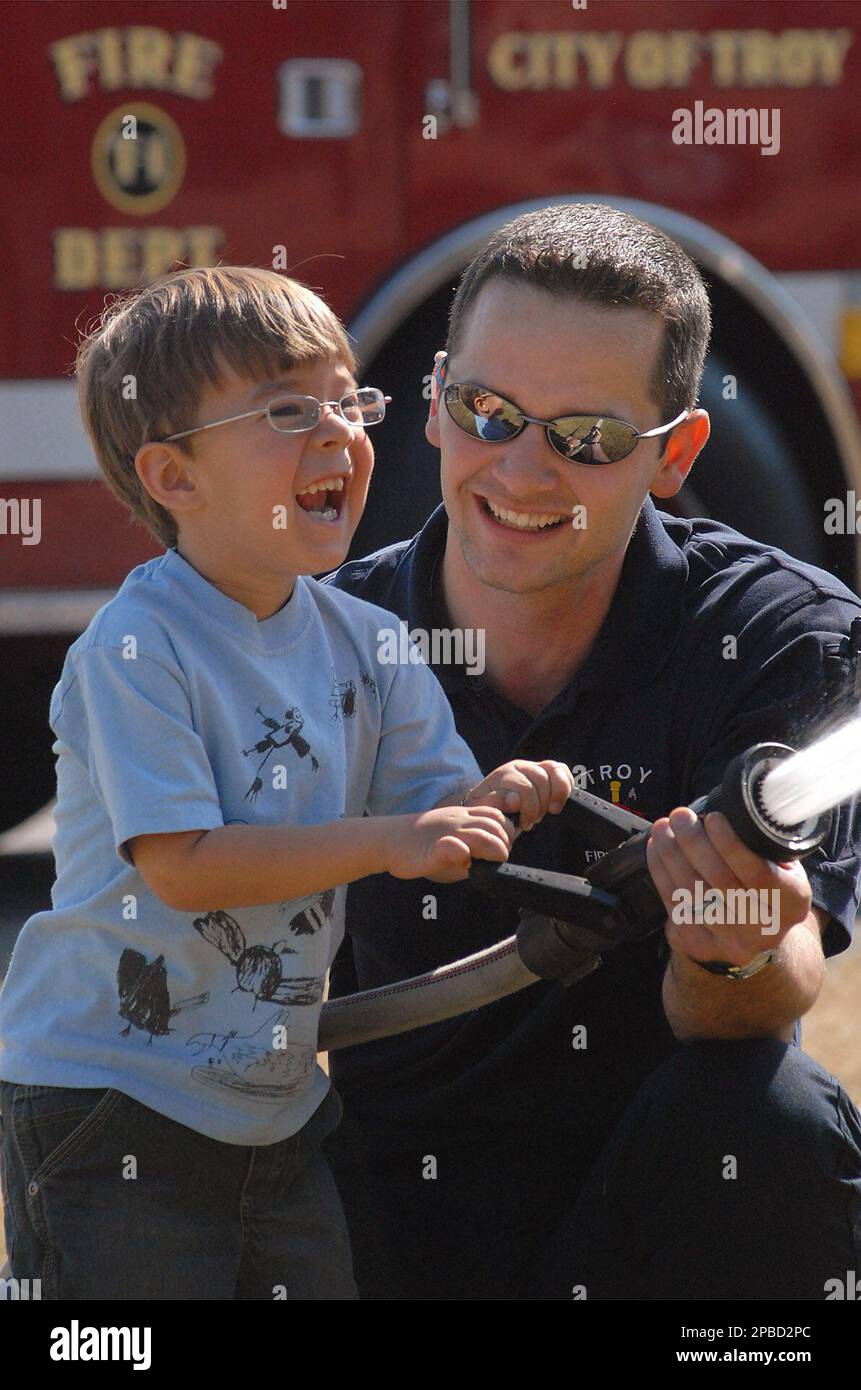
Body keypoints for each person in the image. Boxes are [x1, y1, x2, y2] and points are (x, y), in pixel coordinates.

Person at [0, 266, 574, 1300]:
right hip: (109, 1104)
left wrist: (504, 798)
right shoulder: (137, 649)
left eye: (348, 401)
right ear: (174, 478)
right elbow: (183, 865)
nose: (339, 434)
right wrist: (394, 843)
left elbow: (437, 808)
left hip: (274, 1106)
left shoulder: (375, 642)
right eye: (287, 409)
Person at [322, 203, 861, 1301]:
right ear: (432, 404)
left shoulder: (781, 638)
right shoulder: (313, 651)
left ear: (678, 455)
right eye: (488, 411)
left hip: (659, 1210)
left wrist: (729, 949)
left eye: (588, 438)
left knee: (770, 1114)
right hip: (387, 1209)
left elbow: (780, 973)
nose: (523, 472)